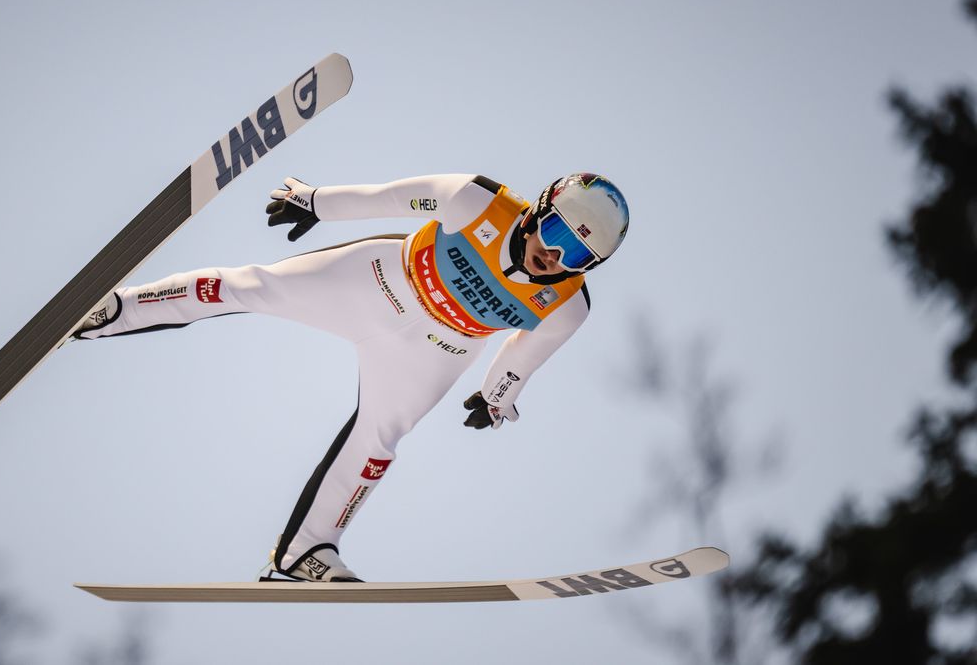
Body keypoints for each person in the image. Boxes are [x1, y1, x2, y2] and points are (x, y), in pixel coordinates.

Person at [72, 172, 630, 582]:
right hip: (379, 282)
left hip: (437, 350)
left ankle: (306, 551)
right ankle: (117, 309)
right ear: (539, 210)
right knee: (251, 286)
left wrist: (495, 397)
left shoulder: (567, 307)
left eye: (579, 253)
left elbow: (521, 358)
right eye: (556, 232)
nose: (554, 255)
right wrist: (316, 203)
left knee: (379, 445)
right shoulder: (477, 201)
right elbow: (389, 198)